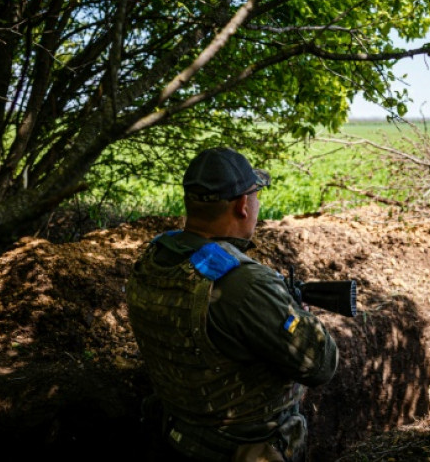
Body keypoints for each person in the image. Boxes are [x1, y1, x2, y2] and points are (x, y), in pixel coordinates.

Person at [126, 147, 338, 462]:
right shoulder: (244, 284)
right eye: (256, 195)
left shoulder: (155, 258)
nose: (257, 203)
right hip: (241, 450)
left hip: (175, 436)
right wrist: (301, 317)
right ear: (242, 205)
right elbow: (321, 365)